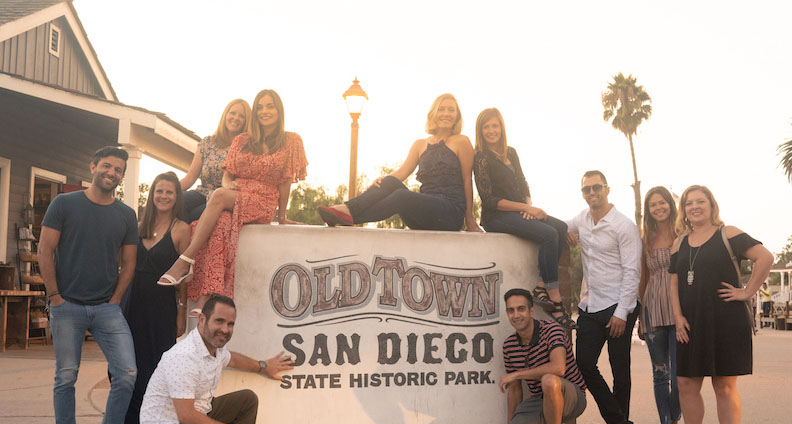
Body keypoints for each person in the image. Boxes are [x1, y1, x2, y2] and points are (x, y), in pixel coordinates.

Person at [38, 146, 146, 424]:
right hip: (66, 305)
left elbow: (129, 263)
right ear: (93, 166)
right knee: (65, 377)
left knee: (127, 373)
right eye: (107, 166)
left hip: (106, 309)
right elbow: (45, 249)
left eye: (118, 170)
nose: (112, 173)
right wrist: (55, 296)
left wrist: (115, 299)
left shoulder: (126, 215)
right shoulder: (64, 203)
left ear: (122, 176)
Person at [158, 89, 308, 313]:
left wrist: (283, 216)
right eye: (260, 107)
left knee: (218, 195)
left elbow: (285, 181)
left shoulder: (291, 140)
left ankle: (185, 260)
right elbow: (228, 174)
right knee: (220, 224)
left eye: (270, 106)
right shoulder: (243, 140)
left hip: (264, 199)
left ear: (279, 110)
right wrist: (227, 183)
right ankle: (206, 297)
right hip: (236, 193)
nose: (264, 111)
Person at [138, 294, 295, 424]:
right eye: (219, 321)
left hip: (193, 417)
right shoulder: (183, 356)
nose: (225, 329)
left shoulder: (215, 348)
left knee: (247, 399)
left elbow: (233, 359)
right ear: (202, 319)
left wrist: (263, 366)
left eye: (230, 324)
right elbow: (186, 416)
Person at [669, 185, 772, 424]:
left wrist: (747, 291)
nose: (695, 206)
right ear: (684, 210)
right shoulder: (679, 243)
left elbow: (765, 258)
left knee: (724, 386)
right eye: (689, 203)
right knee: (686, 383)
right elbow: (673, 281)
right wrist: (677, 316)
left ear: (712, 206)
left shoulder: (729, 234)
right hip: (689, 321)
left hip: (726, 319)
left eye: (701, 201)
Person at [316, 93, 482, 232]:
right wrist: (381, 181)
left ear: (457, 116)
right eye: (441, 109)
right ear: (433, 114)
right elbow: (401, 173)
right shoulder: (419, 145)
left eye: (451, 110)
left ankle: (349, 215)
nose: (446, 113)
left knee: (402, 196)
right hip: (422, 213)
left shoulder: (461, 141)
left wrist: (469, 219)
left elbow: (467, 180)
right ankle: (347, 210)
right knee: (389, 182)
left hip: (450, 214)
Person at [472, 108, 573, 329]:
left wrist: (529, 207)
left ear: (501, 127)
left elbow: (523, 183)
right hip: (496, 216)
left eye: (495, 125)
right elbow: (489, 200)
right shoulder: (480, 157)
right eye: (486, 127)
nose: (491, 130)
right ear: (480, 131)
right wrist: (526, 208)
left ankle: (540, 286)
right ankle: (555, 299)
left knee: (560, 227)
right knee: (548, 234)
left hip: (519, 211)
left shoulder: (511, 152)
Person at [567, 170, 641, 424]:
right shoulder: (582, 220)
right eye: (586, 189)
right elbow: (559, 225)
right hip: (590, 304)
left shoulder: (624, 226)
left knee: (620, 369)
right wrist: (559, 230)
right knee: (584, 363)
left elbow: (632, 271)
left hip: (618, 305)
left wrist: (622, 313)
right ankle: (619, 423)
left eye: (596, 187)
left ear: (607, 189)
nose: (592, 193)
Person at [118, 172, 191, 424]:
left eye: (169, 192)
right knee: (128, 368)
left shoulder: (181, 229)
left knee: (156, 369)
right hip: (132, 303)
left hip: (161, 307)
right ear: (152, 195)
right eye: (159, 191)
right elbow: (125, 266)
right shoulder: (139, 226)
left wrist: (181, 311)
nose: (163, 196)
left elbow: (184, 276)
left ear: (176, 197)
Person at [497, 288, 587, 424]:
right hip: (540, 400)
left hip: (572, 397)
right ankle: (552, 421)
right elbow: (515, 390)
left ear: (531, 311)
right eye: (511, 310)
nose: (516, 315)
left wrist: (517, 374)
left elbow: (559, 368)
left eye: (521, 309)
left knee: (549, 380)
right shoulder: (509, 346)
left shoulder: (552, 330)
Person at [637, 186, 685, 424]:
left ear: (670, 204)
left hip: (679, 311)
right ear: (648, 210)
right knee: (660, 374)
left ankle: (676, 422)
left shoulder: (683, 233)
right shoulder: (646, 238)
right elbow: (642, 278)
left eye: (662, 202)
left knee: (679, 376)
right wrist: (641, 317)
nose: (658, 208)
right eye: (653, 204)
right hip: (653, 309)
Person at [180, 99, 251, 223]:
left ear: (247, 121)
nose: (236, 118)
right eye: (232, 113)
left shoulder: (247, 148)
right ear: (225, 115)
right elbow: (190, 178)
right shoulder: (207, 143)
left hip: (222, 200)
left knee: (193, 215)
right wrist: (169, 189)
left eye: (241, 116)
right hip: (202, 193)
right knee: (177, 201)